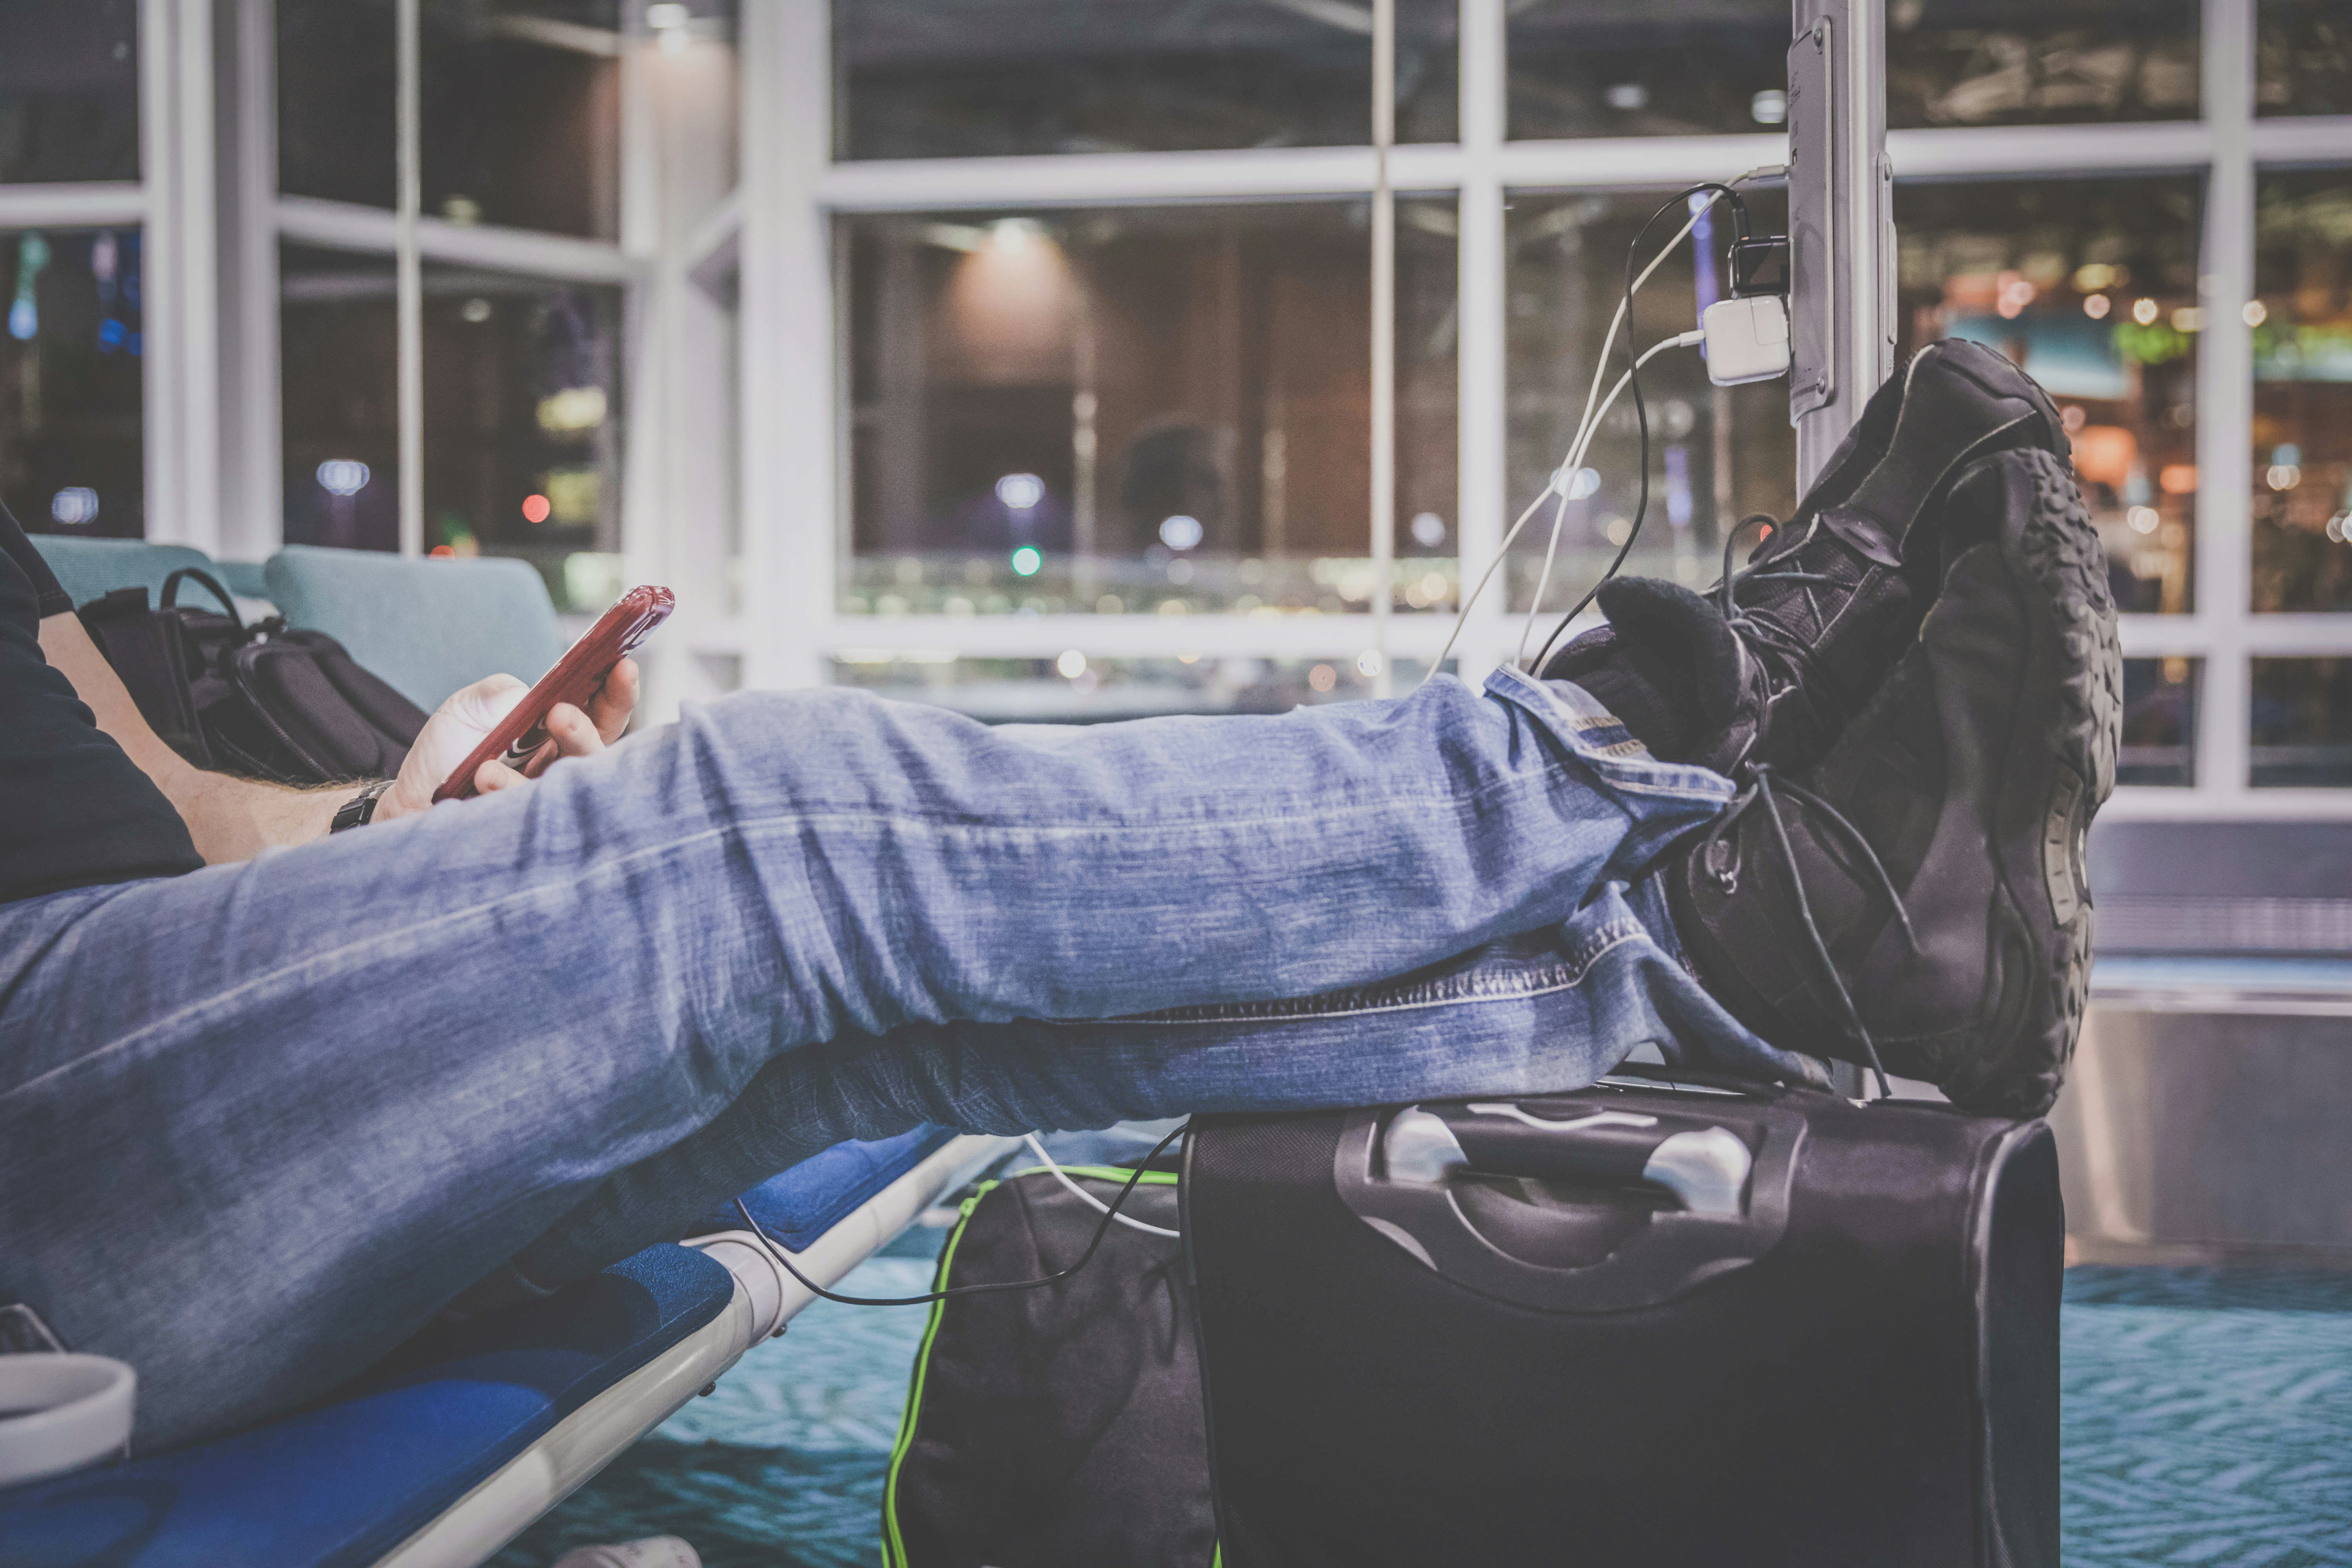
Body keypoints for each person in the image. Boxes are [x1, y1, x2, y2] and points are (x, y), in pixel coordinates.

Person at [0, 339, 2116, 1453]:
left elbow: (169, 824)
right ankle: (1658, 732)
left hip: (119, 1006)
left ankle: (1737, 953)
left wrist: (399, 822)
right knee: (766, 843)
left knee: (898, 1024)